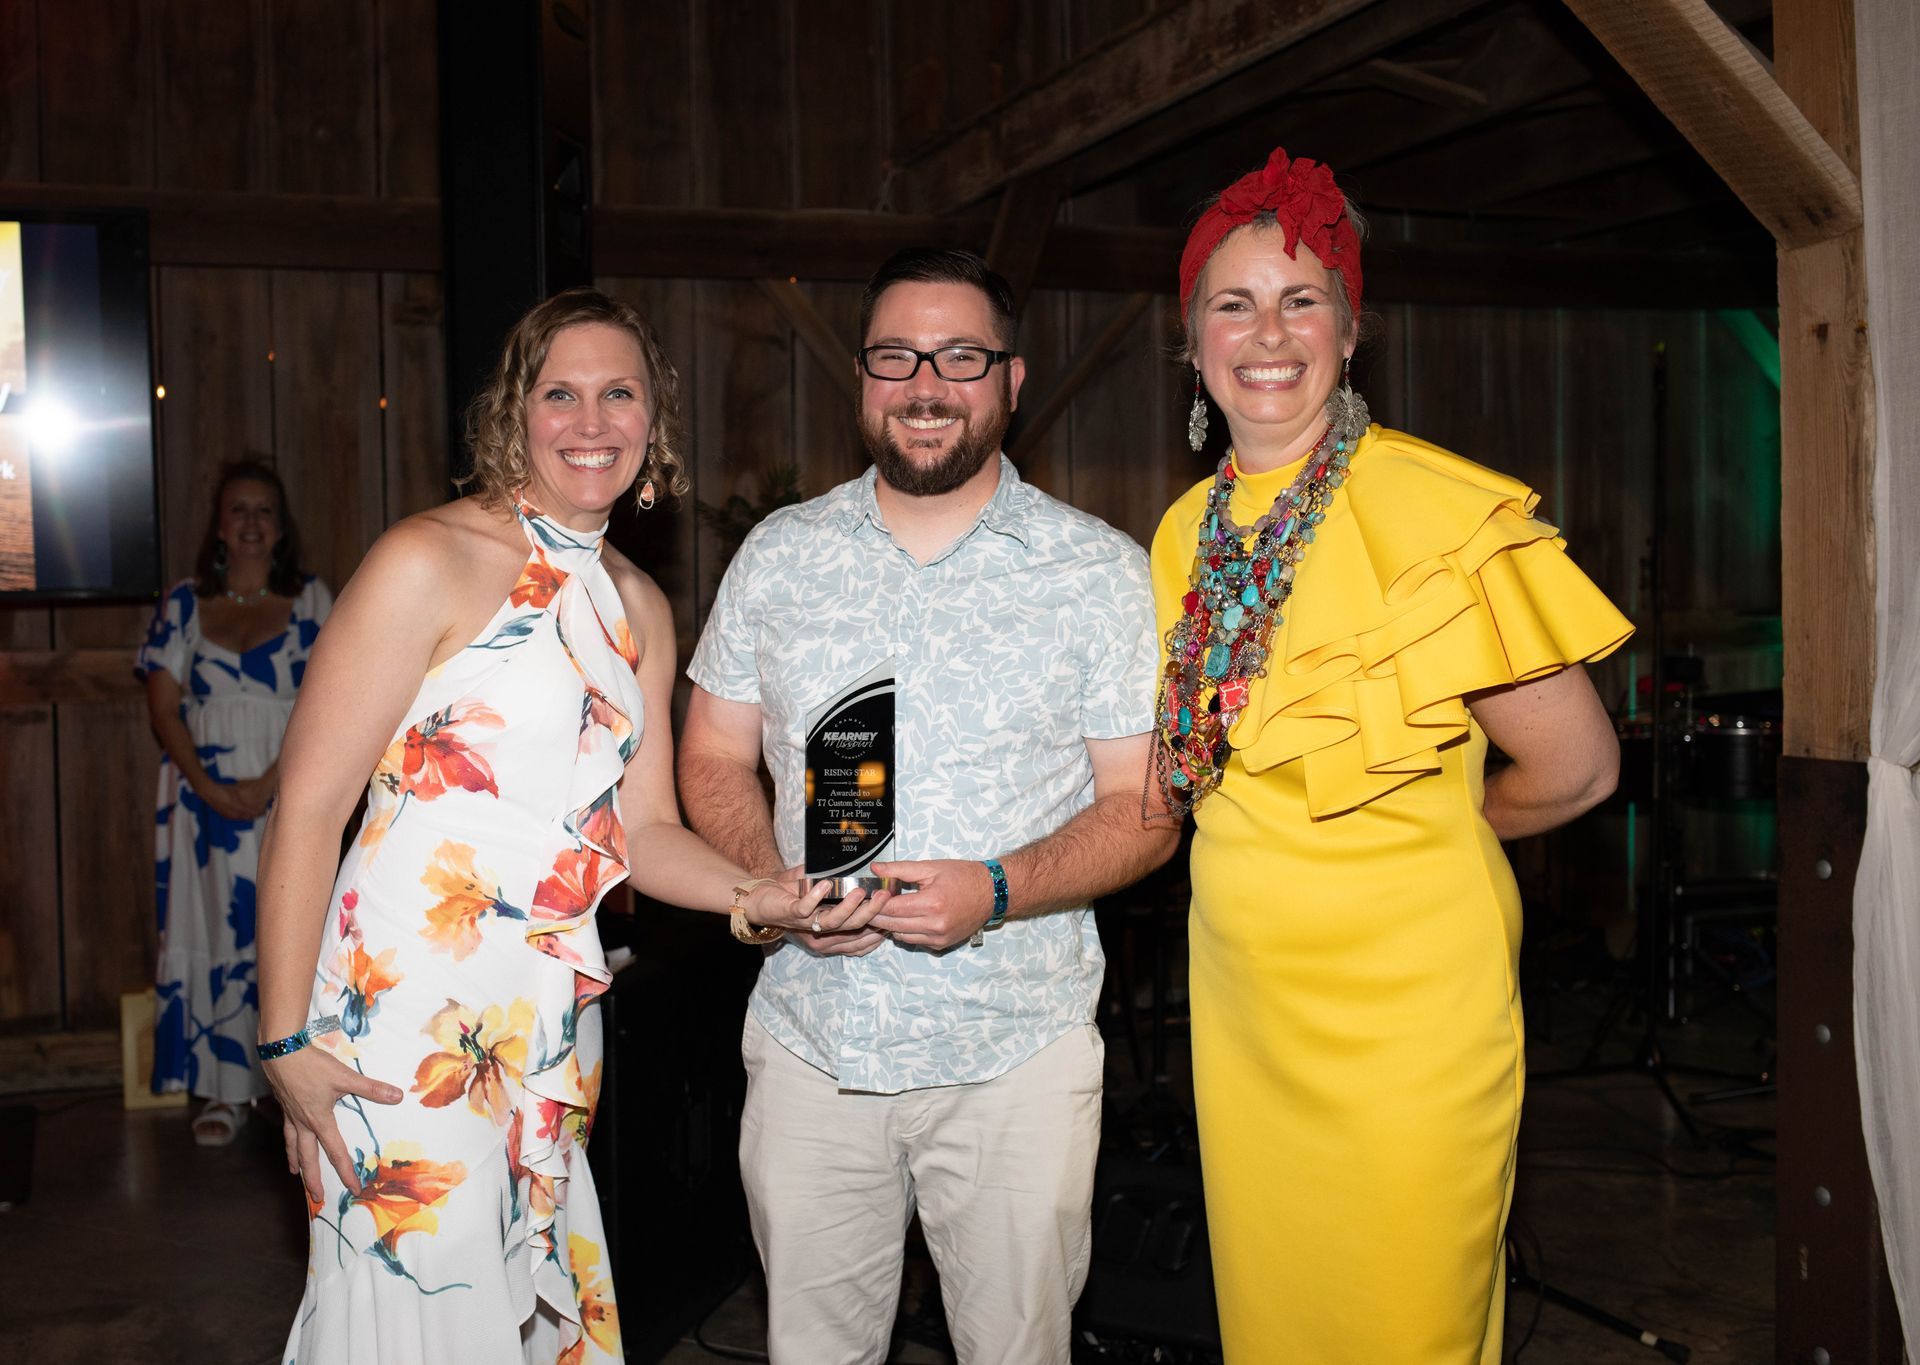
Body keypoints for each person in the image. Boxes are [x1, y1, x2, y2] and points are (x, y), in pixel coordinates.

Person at [253, 288, 841, 1364]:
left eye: (619, 394)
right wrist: (285, 1040)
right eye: (559, 393)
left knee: (521, 1308)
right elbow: (308, 807)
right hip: (401, 1021)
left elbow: (646, 830)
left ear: (652, 422)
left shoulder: (640, 607)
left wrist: (762, 894)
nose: (591, 421)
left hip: (552, 1022)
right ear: (512, 414)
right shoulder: (424, 560)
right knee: (418, 1308)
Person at [1149, 147, 1632, 1362]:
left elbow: (1577, 770)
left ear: (1352, 332)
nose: (1270, 331)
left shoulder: (1431, 514)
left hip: (1412, 1014)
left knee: (1404, 1323)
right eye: (1235, 301)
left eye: (1302, 297)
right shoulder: (1176, 534)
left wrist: (1437, 839)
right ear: (1193, 340)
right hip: (1248, 1003)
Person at [677, 247, 1178, 1365]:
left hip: (1015, 1054)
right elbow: (711, 755)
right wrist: (777, 882)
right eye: (896, 354)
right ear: (863, 377)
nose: (925, 383)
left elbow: (1147, 810)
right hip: (815, 1045)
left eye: (961, 356)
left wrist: (995, 893)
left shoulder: (1094, 572)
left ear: (1011, 379)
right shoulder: (782, 556)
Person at [138, 459, 331, 1146]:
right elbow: (164, 707)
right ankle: (220, 1089)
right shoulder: (184, 602)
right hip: (200, 798)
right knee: (215, 933)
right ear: (220, 525)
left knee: (287, 931)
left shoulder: (312, 601)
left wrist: (273, 781)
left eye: (265, 511)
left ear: (281, 529)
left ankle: (289, 1089)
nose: (251, 523)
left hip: (295, 790)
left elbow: (332, 703)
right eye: (238, 510)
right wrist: (211, 784)